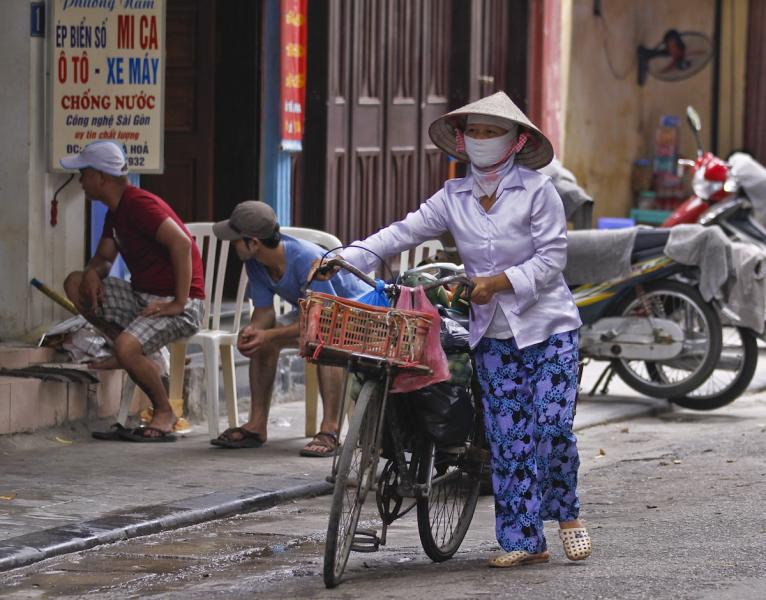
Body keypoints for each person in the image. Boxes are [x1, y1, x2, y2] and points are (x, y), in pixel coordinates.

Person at [311, 92, 592, 566]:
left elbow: (551, 259)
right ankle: (526, 542)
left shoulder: (538, 190)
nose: (482, 140)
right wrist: (346, 256)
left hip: (549, 326)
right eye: (475, 132)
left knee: (553, 428)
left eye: (492, 132)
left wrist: (501, 282)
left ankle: (566, 513)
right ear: (461, 141)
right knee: (508, 438)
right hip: (492, 335)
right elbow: (401, 232)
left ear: (516, 140)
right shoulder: (452, 197)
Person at [61, 141, 205, 442]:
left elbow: (181, 243)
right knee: (75, 283)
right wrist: (91, 273)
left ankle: (164, 411)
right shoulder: (116, 212)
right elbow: (103, 259)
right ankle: (122, 349)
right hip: (143, 297)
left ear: (101, 177)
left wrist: (178, 302)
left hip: (181, 303)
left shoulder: (139, 204)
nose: (80, 181)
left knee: (128, 347)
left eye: (84, 173)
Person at [210, 201, 369, 456]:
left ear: (253, 242)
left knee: (322, 341)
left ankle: (329, 430)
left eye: (236, 239)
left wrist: (268, 334)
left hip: (357, 315)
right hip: (317, 314)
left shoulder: (305, 258)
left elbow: (322, 319)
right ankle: (256, 425)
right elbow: (264, 312)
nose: (232, 244)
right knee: (264, 340)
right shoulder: (255, 262)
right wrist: (253, 331)